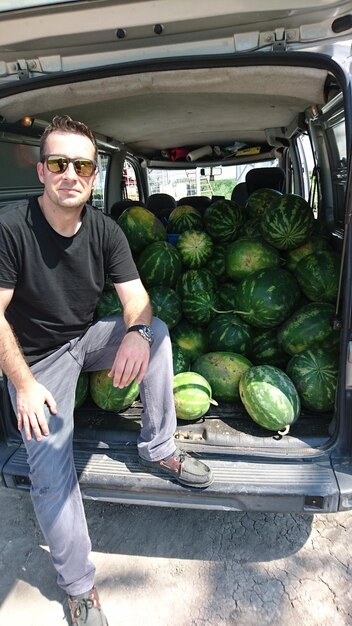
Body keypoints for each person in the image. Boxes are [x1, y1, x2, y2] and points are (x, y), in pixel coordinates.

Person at [0, 115, 213, 626]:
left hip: (83, 340)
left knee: (156, 334)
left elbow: (137, 301)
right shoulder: (11, 227)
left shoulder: (105, 230)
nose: (70, 173)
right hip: (37, 364)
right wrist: (23, 384)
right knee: (51, 472)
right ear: (42, 169)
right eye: (59, 163)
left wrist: (138, 333)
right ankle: (79, 587)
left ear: (95, 175)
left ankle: (159, 448)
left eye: (82, 165)